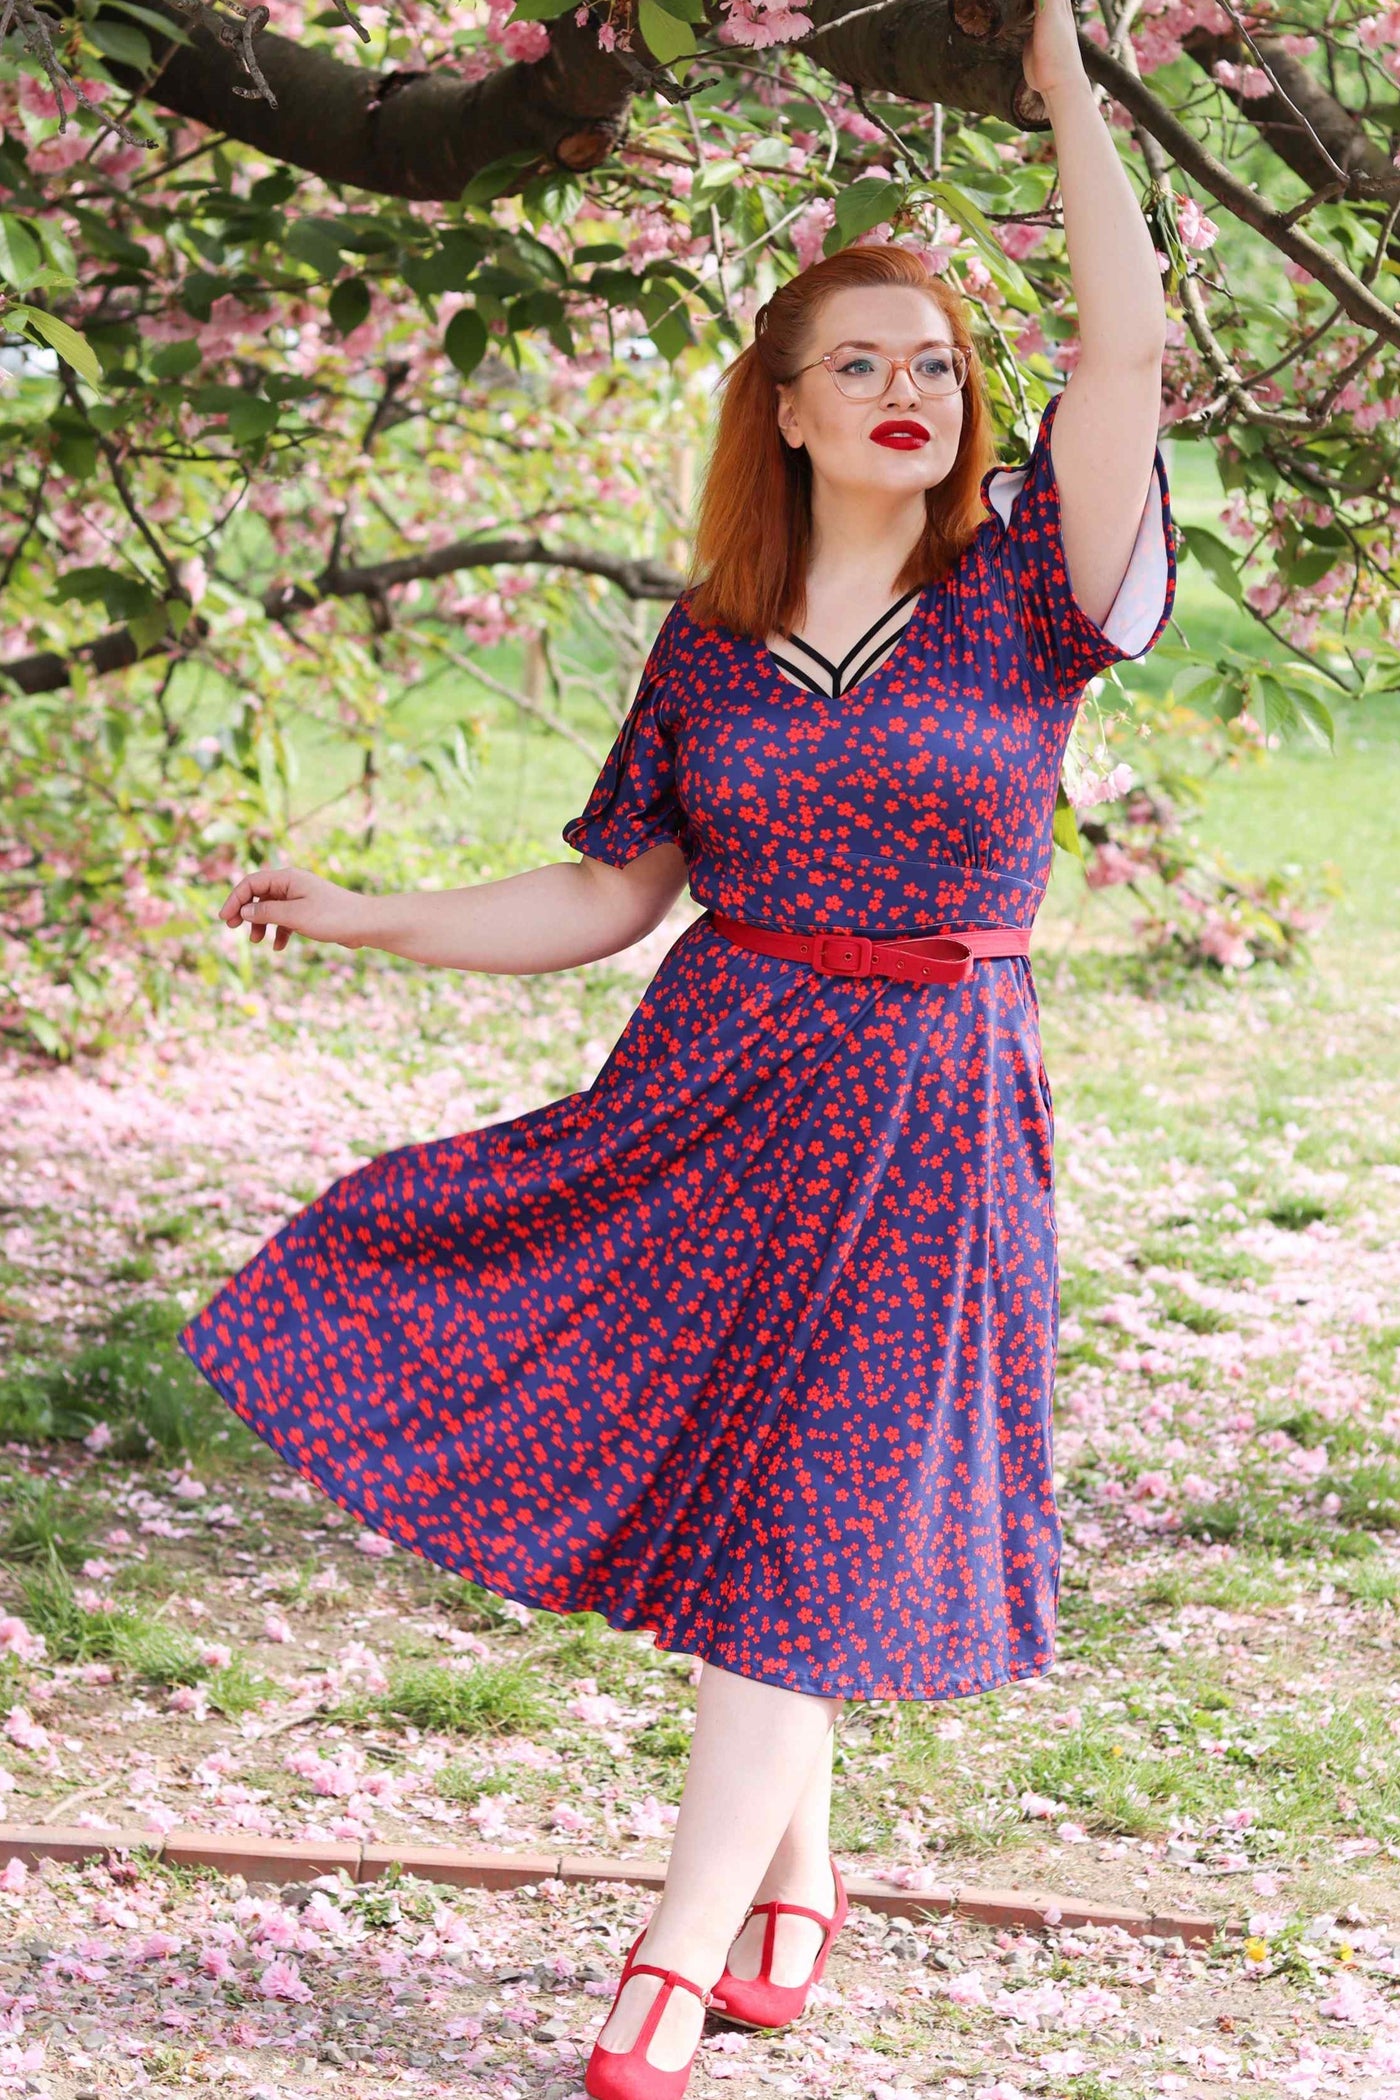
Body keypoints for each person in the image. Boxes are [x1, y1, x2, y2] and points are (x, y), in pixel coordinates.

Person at [179, 7, 1177, 2092]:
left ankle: (670, 1952)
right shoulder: (710, 645)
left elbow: (1124, 354)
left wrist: (1064, 68)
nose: (908, 392)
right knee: (755, 1520)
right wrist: (373, 912)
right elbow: (608, 896)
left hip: (927, 1113)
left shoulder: (1032, 598)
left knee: (799, 1529)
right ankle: (795, 1884)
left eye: (935, 363)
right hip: (707, 1100)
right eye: (859, 364)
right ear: (786, 411)